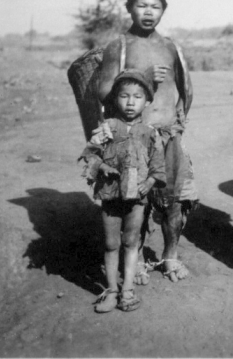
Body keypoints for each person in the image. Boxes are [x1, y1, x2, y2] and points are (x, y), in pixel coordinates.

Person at [94, 0, 198, 286]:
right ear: (129, 8)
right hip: (133, 138)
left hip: (167, 137)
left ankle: (170, 255)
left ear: (164, 9)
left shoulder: (171, 47)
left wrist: (177, 123)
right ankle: (135, 256)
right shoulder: (120, 46)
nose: (149, 11)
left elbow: (187, 89)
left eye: (155, 6)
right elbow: (103, 92)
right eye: (141, 5)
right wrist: (144, 78)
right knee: (132, 200)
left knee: (174, 200)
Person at [80, 69, 166, 312]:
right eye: (124, 96)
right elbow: (90, 156)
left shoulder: (150, 133)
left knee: (131, 242)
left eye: (137, 97)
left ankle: (127, 289)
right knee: (110, 243)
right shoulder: (107, 128)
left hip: (136, 200)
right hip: (110, 196)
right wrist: (103, 166)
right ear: (115, 99)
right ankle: (111, 290)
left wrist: (148, 183)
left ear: (147, 101)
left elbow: (158, 168)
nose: (130, 102)